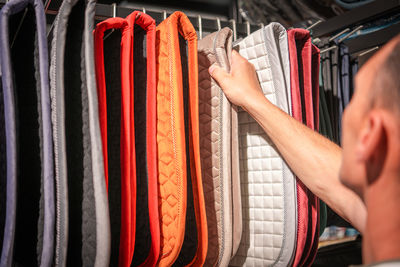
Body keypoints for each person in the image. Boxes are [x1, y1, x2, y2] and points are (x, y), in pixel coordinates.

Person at [208, 35, 400, 266]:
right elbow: (335, 183)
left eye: (358, 95)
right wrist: (252, 99)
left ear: (372, 135)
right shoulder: (387, 214)